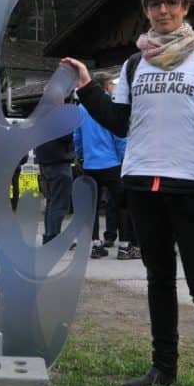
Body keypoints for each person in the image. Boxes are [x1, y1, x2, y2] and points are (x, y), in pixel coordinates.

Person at [61, 0, 194, 386]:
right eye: (154, 4)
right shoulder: (135, 66)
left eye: (170, 2)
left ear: (185, 7)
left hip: (193, 185)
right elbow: (120, 123)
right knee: (158, 280)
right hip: (140, 182)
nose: (162, 10)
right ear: (147, 11)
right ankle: (164, 369)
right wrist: (86, 87)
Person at [73, 72, 140, 260]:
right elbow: (120, 137)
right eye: (111, 83)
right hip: (112, 164)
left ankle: (95, 244)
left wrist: (81, 156)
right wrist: (124, 158)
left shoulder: (81, 108)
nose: (113, 86)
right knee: (122, 205)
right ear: (105, 86)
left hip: (91, 164)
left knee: (91, 207)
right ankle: (125, 246)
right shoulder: (110, 107)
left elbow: (77, 137)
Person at [35, 133, 75, 244]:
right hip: (58, 160)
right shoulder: (59, 115)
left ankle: (49, 236)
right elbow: (66, 136)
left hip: (44, 160)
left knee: (51, 201)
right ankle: (53, 237)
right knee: (59, 203)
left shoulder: (38, 115)